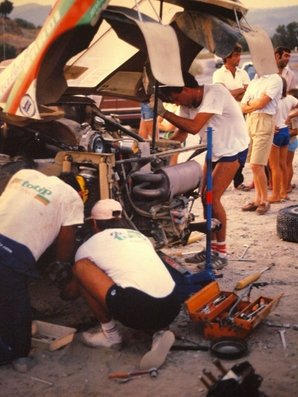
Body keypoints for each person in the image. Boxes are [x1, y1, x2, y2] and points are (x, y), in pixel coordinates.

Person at [150, 72, 249, 270]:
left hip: (232, 149)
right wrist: (159, 148)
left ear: (187, 89)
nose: (177, 103)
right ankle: (211, 248)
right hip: (213, 150)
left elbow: (194, 127)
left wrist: (164, 113)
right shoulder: (187, 103)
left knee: (212, 197)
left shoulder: (216, 92)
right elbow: (181, 133)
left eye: (176, 98)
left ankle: (221, 252)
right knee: (204, 199)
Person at [0, 168, 84, 371]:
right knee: (16, 305)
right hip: (14, 252)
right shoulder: (72, 197)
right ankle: (17, 354)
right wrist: (61, 265)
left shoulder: (24, 174)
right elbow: (66, 238)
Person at [70, 199, 181, 349]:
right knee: (140, 273)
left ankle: (111, 337)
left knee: (81, 267)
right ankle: (161, 331)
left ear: (95, 223)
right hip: (173, 305)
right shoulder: (140, 237)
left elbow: (76, 288)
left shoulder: (90, 245)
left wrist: (65, 290)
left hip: (137, 307)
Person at [240, 73, 283, 215]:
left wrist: (251, 104)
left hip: (264, 120)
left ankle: (264, 200)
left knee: (257, 164)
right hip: (251, 121)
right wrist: (254, 104)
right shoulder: (254, 81)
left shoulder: (274, 79)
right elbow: (242, 106)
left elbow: (261, 103)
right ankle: (258, 199)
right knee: (253, 164)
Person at [212, 43, 251, 191]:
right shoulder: (218, 74)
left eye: (239, 55)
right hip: (225, 116)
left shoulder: (243, 73)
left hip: (241, 113)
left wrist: (233, 92)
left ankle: (238, 180)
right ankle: (215, 178)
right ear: (227, 57)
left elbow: (248, 93)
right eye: (236, 55)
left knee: (242, 145)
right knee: (224, 146)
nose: (239, 58)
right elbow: (222, 94)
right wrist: (241, 89)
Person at [268, 78, 298, 202]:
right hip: (285, 131)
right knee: (283, 164)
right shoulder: (290, 99)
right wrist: (290, 115)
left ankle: (275, 194)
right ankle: (284, 192)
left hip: (276, 132)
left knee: (274, 166)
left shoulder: (273, 101)